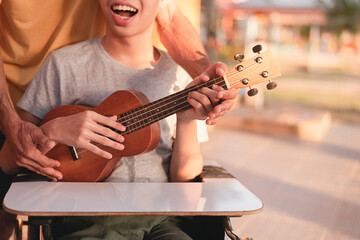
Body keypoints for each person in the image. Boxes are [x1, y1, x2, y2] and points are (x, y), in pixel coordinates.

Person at [0, 0, 239, 239]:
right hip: (82, 222)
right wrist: (51, 130)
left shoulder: (179, 76)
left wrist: (186, 122)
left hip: (161, 221)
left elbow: (186, 185)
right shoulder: (63, 65)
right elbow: (8, 160)